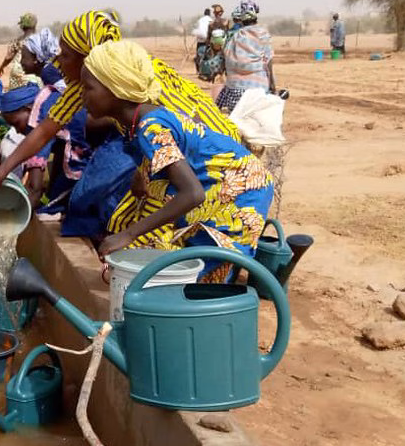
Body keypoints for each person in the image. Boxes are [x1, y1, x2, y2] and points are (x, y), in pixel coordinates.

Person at [0, 8, 241, 196]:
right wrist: (1, 172)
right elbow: (44, 130)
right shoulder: (85, 84)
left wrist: (144, 172)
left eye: (67, 55)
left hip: (213, 157)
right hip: (172, 157)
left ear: (90, 57)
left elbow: (184, 131)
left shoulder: (134, 76)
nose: (58, 62)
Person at [82, 40, 273, 282]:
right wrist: (141, 177)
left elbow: (192, 194)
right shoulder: (143, 119)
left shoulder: (150, 127)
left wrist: (128, 235)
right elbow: (168, 155)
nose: (82, 96)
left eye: (88, 88)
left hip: (240, 193)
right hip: (224, 189)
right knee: (182, 260)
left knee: (202, 277)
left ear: (116, 88)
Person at [216, 0, 275, 111]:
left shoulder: (235, 36)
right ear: (256, 17)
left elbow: (225, 57)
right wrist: (272, 86)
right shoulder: (263, 34)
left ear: (241, 21)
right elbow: (269, 62)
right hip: (258, 92)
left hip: (234, 93)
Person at [0, 12, 40, 90]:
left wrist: (2, 67)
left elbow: (8, 57)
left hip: (17, 73)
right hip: (33, 75)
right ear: (34, 26)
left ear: (22, 27)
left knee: (15, 94)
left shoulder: (17, 41)